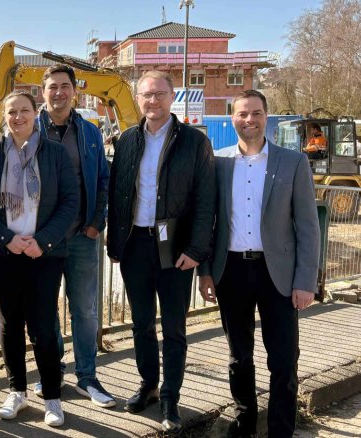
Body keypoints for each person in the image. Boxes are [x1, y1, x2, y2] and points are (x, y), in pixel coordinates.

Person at [198, 90, 320, 438]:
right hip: (231, 271)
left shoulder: (293, 162)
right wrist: (205, 272)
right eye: (242, 114)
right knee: (239, 357)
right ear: (232, 118)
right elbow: (208, 222)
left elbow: (307, 225)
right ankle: (244, 423)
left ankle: (281, 430)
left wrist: (306, 280)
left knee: (283, 360)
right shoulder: (218, 162)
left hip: (277, 274)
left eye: (256, 113)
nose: (249, 120)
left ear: (266, 117)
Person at [107, 70, 215, 433]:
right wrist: (116, 242)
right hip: (136, 244)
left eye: (159, 94)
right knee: (141, 324)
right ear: (138, 98)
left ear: (172, 97)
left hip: (176, 248)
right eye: (146, 94)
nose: (152, 100)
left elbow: (205, 200)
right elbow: (118, 194)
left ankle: (171, 396)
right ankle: (149, 385)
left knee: (174, 328)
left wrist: (196, 249)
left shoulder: (194, 142)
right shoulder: (127, 140)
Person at [0, 90, 79, 428]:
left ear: (36, 113)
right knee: (10, 322)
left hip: (43, 254)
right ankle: (16, 391)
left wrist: (43, 241)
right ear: (4, 116)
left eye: (24, 110)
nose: (18, 117)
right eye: (11, 112)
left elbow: (70, 201)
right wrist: (7, 239)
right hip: (3, 253)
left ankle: (51, 397)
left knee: (44, 325)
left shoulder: (55, 153)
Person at [34, 64, 114, 408]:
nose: (59, 92)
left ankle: (87, 376)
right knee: (45, 310)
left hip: (83, 235)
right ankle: (51, 372)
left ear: (74, 92)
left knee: (85, 309)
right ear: (43, 92)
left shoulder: (90, 132)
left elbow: (103, 180)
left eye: (64, 86)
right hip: (43, 240)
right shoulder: (30, 128)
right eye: (52, 87)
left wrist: (97, 222)